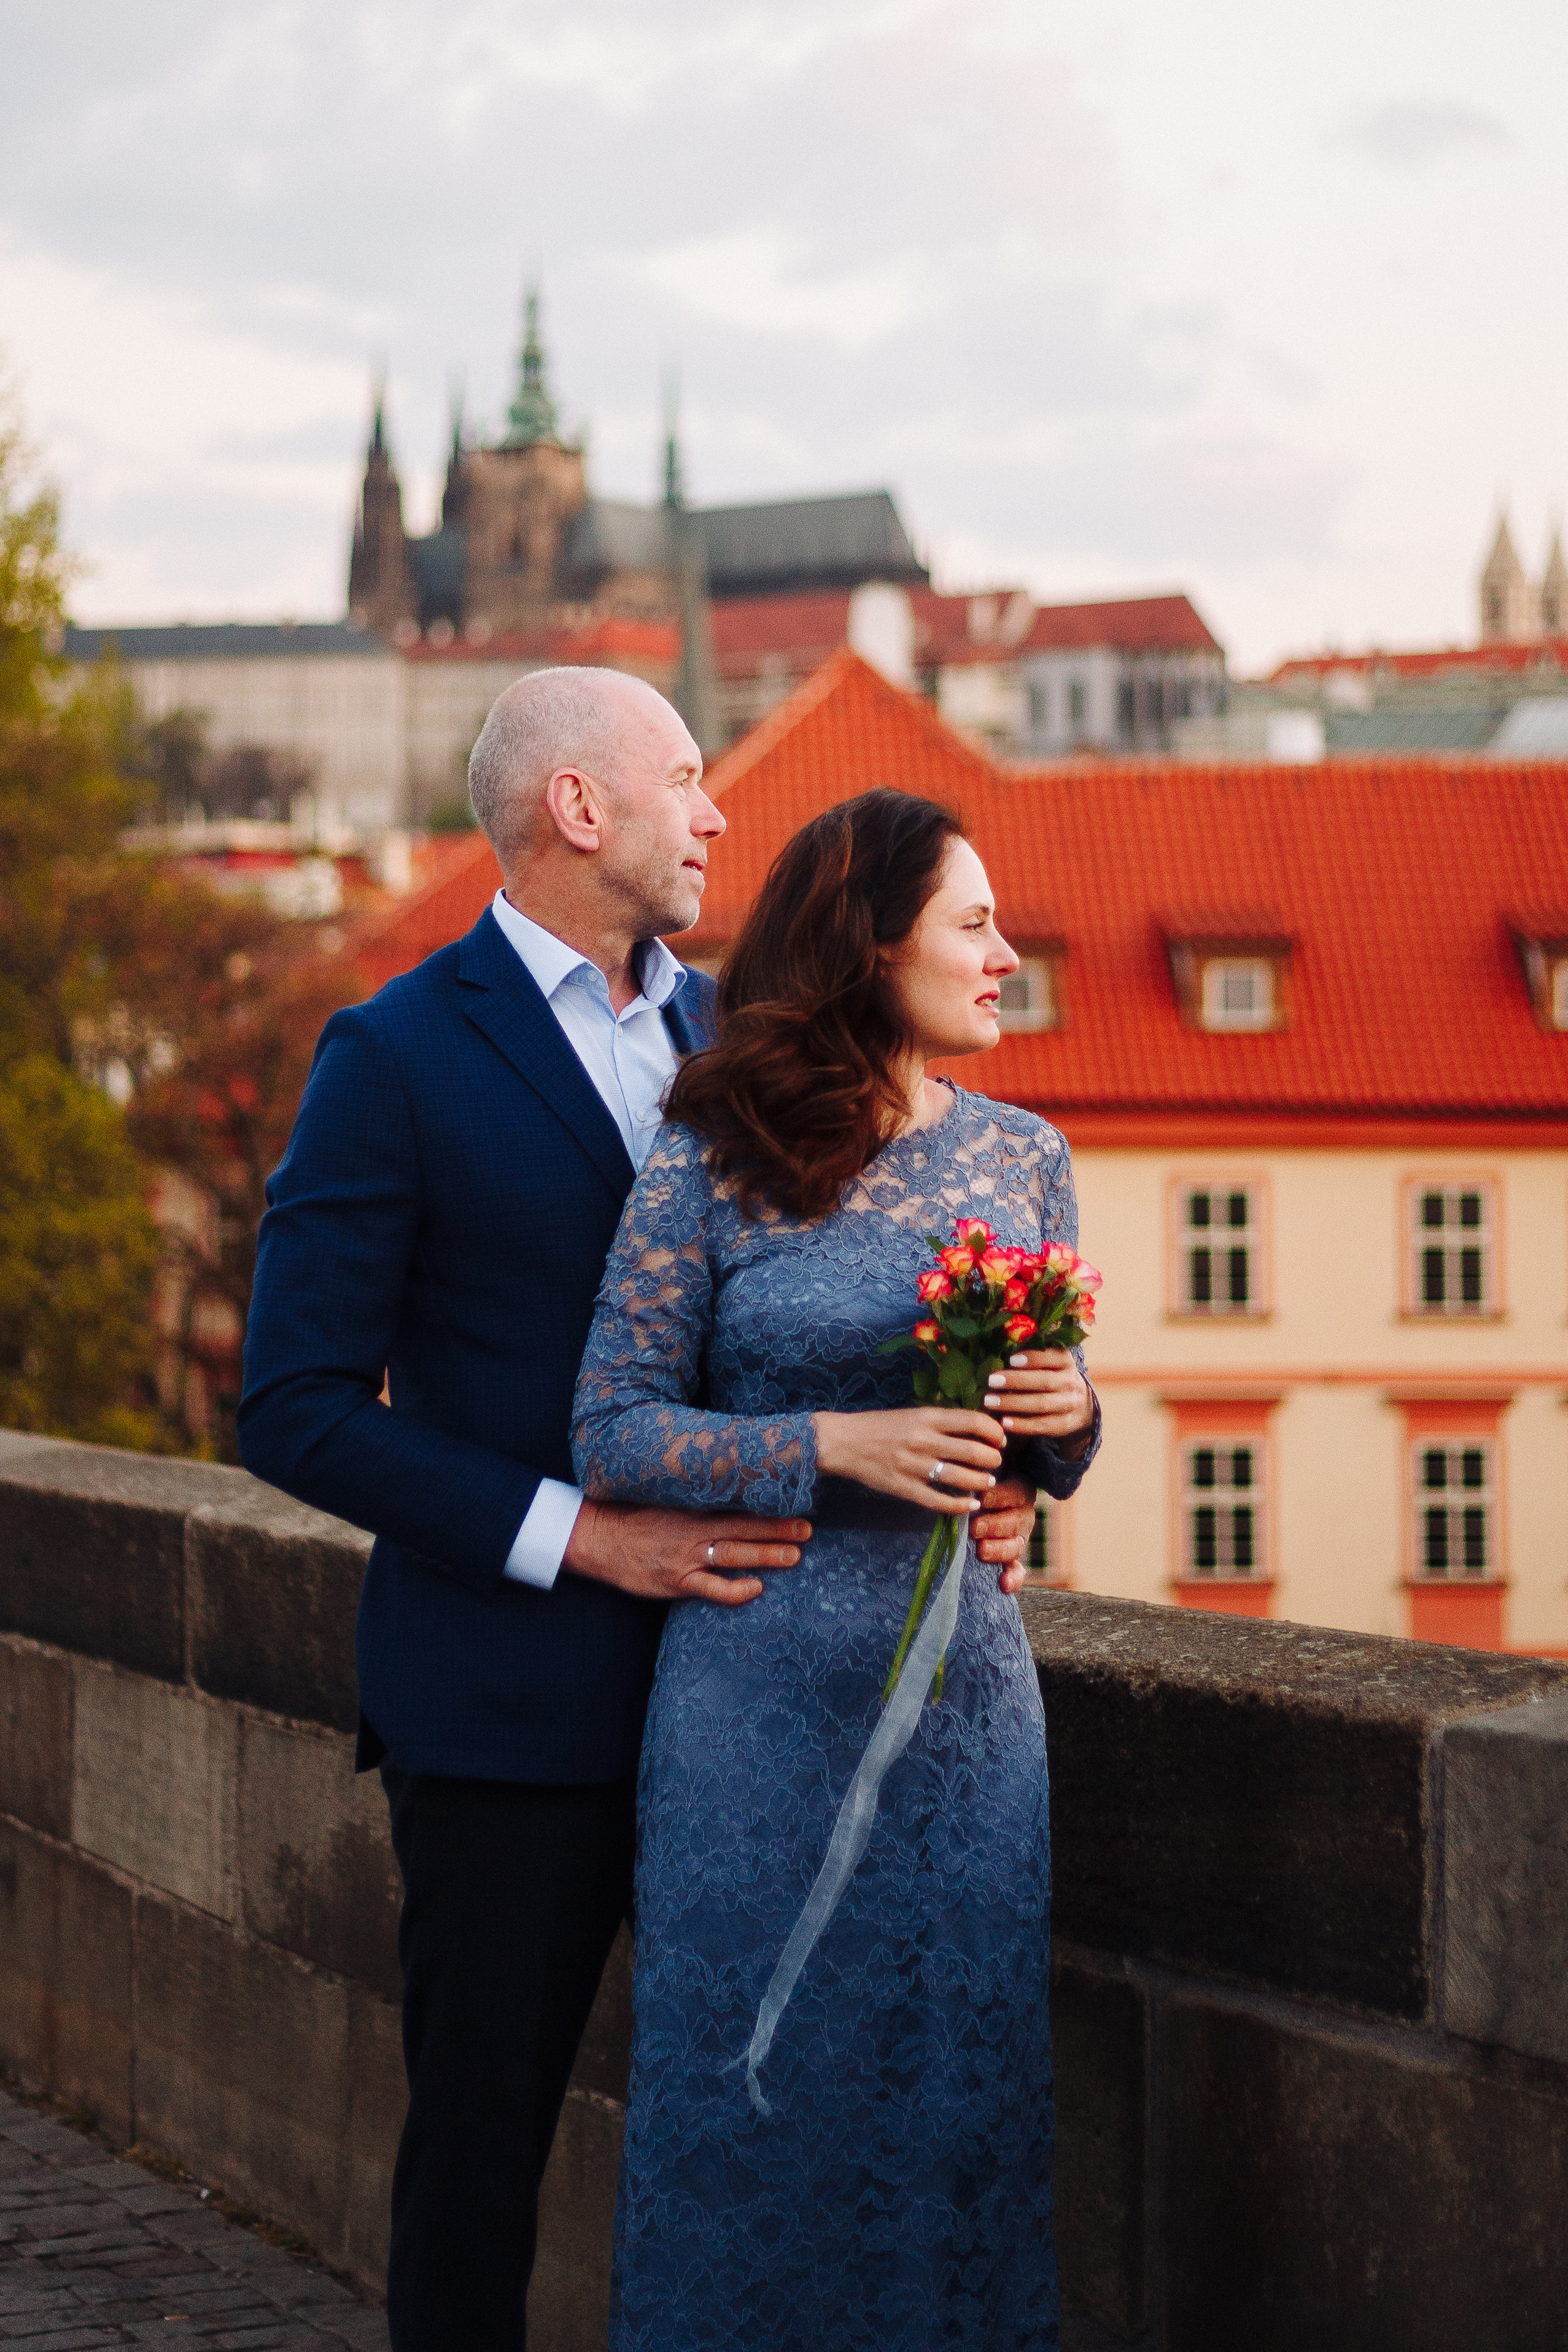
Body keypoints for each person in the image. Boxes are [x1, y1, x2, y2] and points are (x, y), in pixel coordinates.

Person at [237, 675, 1041, 2350]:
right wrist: (576, 1533)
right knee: (482, 2157)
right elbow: (295, 1407)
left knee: (769, 2141)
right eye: (686, 781)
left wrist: (1007, 1474)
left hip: (763, 1705)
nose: (718, 813)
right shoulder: (392, 1053)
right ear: (577, 810)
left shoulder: (738, 1035)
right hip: (514, 1703)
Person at [571, 786, 1101, 2352]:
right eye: (971, 923)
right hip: (754, 1702)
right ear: (872, 944)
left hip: (965, 1716)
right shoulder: (713, 1141)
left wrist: (1062, 1429)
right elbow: (611, 1426)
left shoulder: (1024, 1155)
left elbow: (1036, 1431)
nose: (1004, 954)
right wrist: (836, 1444)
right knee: (747, 2097)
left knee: (962, 2101)